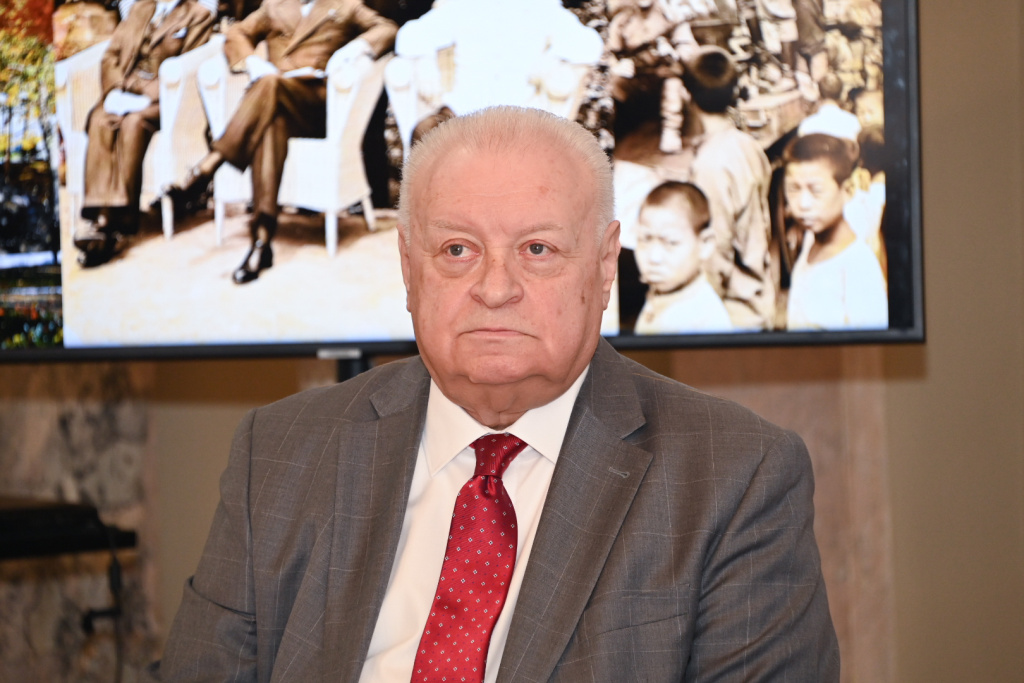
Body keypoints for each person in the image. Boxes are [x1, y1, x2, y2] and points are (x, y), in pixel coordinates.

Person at [153, 106, 839, 681]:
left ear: (605, 267)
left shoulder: (735, 476)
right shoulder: (278, 451)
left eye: (537, 249)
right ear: (408, 267)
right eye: (458, 250)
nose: (495, 288)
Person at [167, 0, 397, 283]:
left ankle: (210, 165)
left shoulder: (345, 5)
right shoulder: (274, 6)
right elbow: (237, 32)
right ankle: (262, 240)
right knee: (270, 122)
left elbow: (387, 28)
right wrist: (253, 62)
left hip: (317, 107)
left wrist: (355, 48)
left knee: (269, 84)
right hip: (276, 103)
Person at [73, 0, 214, 267]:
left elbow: (189, 66)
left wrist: (143, 93)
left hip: (165, 101)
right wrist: (118, 88)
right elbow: (111, 55)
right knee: (100, 118)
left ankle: (115, 222)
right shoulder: (140, 8)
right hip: (125, 91)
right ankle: (102, 217)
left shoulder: (198, 15)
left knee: (133, 123)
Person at [685, 46, 775, 330]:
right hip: (760, 293)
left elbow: (715, 252)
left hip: (734, 313)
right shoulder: (747, 144)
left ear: (689, 96)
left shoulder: (710, 166)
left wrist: (702, 312)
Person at [784, 132, 888, 330]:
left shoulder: (859, 268)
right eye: (793, 189)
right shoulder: (811, 240)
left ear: (847, 190)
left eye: (816, 190)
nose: (803, 204)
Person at [633, 181, 733, 335]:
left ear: (705, 244)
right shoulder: (660, 294)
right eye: (645, 239)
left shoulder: (704, 320)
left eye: (671, 242)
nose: (654, 257)